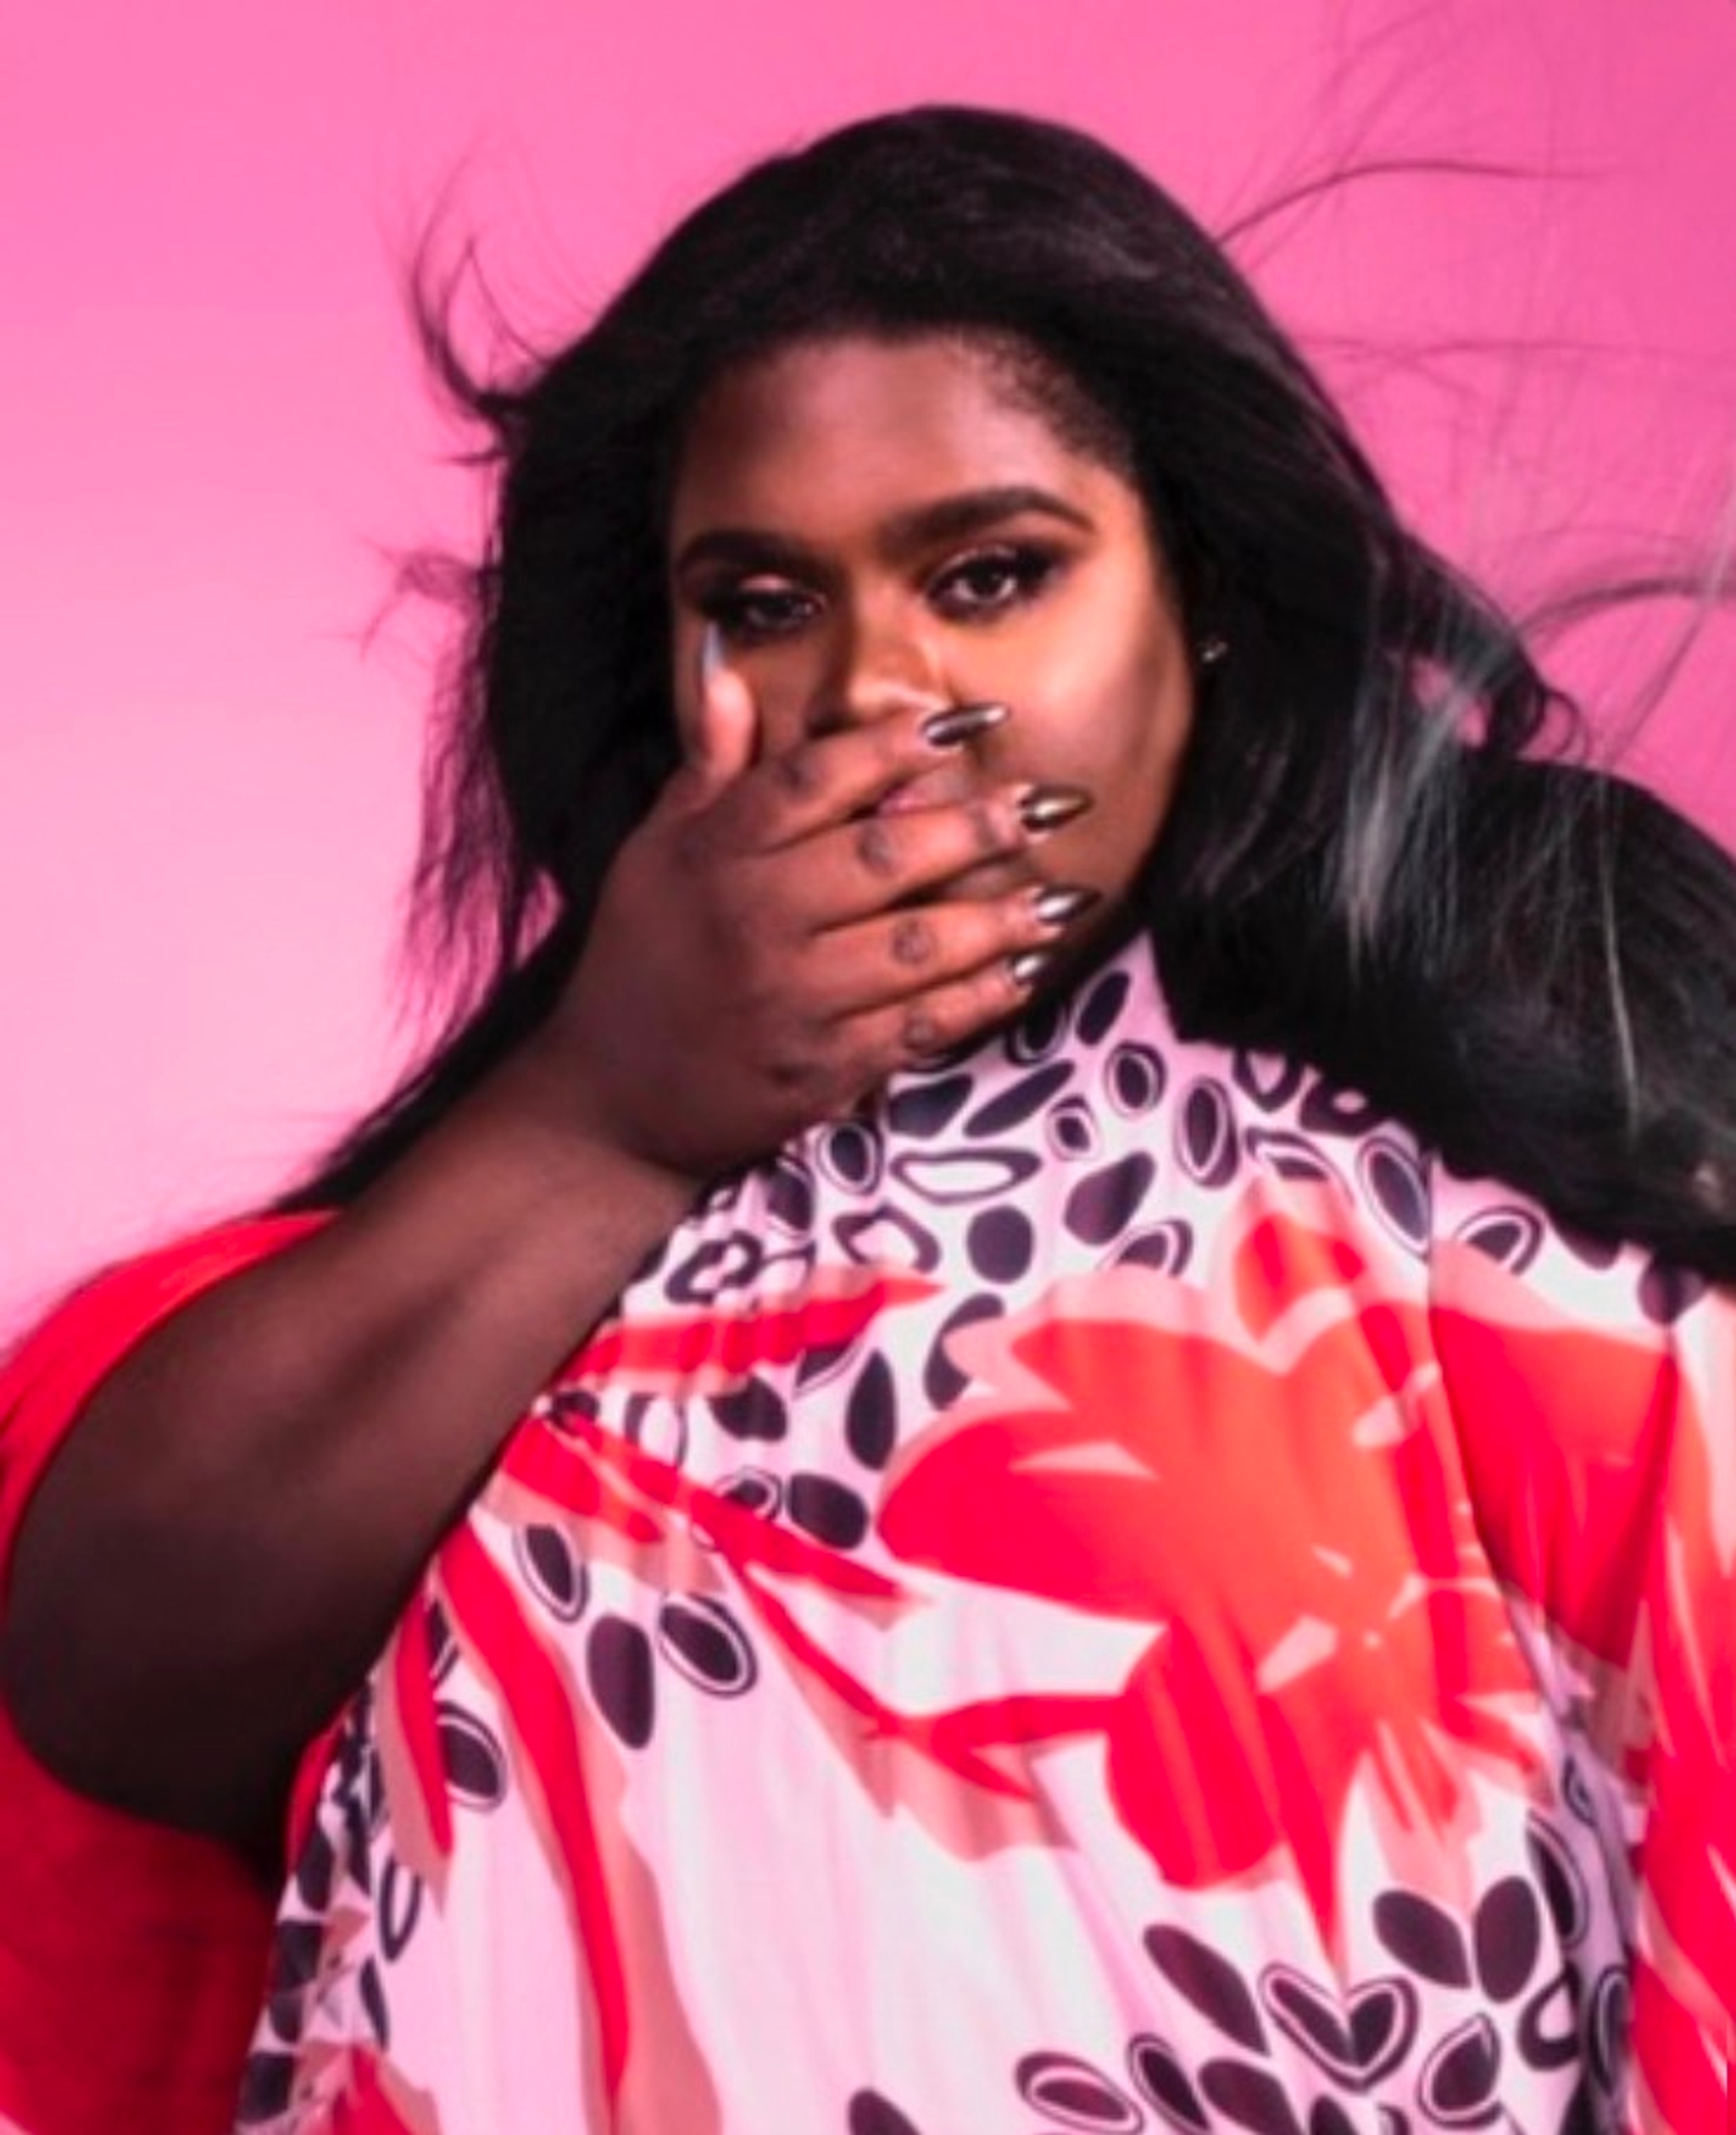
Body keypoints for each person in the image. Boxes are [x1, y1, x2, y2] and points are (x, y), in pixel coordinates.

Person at [1, 103, 1732, 2135]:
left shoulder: (1499, 1158)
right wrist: (613, 1120)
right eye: (760, 602)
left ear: (1206, 601)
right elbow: (118, 1699)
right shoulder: (460, 1273)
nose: (875, 693)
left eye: (990, 575)